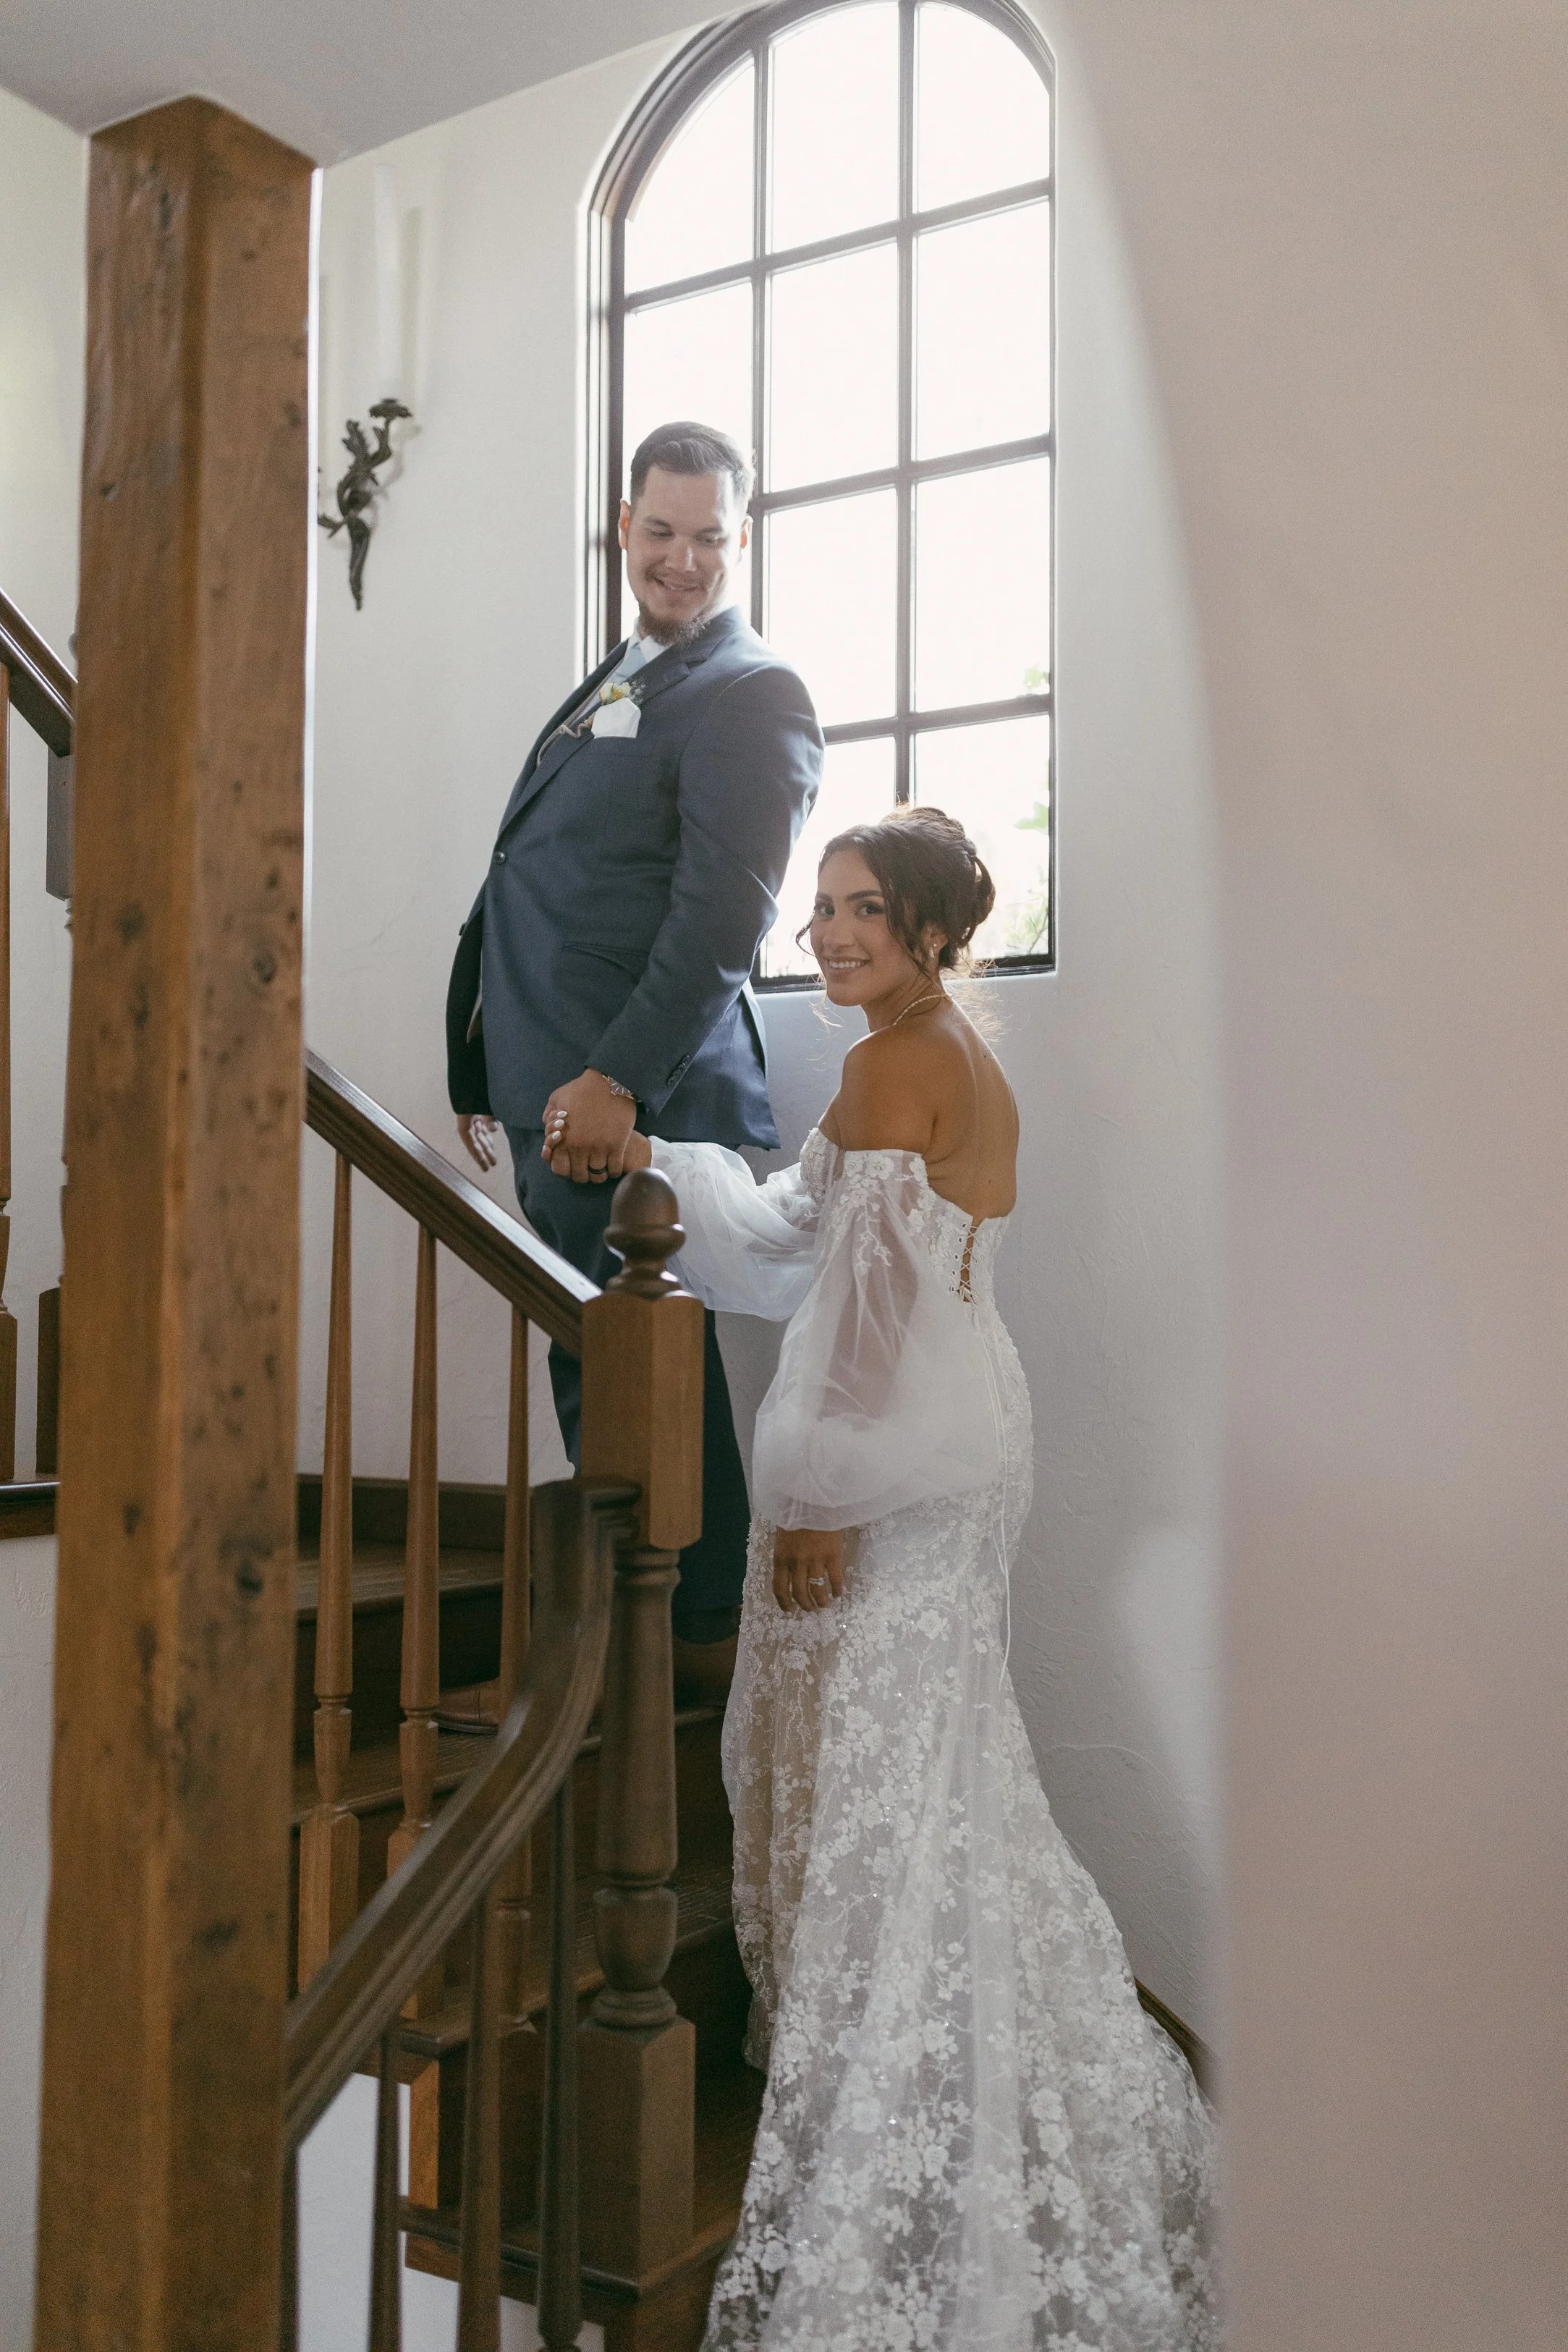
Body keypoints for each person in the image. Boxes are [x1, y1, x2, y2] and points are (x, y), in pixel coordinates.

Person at [569, 808, 1217, 2349]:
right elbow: (802, 1233)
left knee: (881, 1758)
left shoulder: (890, 1065)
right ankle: (954, 2055)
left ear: (930, 928)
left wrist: (818, 1497)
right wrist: (657, 1156)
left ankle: (898, 2079)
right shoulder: (945, 1057)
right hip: (963, 1425)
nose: (829, 933)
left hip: (895, 1450)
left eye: (862, 907)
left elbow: (860, 1309)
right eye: (820, 907)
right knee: (928, 1757)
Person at [449, 420, 823, 1693]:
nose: (683, 560)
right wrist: (477, 1062)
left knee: (631, 1352)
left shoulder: (750, 690)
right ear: (624, 525)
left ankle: (693, 1631)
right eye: (661, 531)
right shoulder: (624, 675)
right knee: (596, 1348)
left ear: (740, 537)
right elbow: (532, 867)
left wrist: (615, 1077)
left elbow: (723, 916)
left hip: (622, 1084)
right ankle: (650, 1618)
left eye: (710, 536)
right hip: (547, 1073)